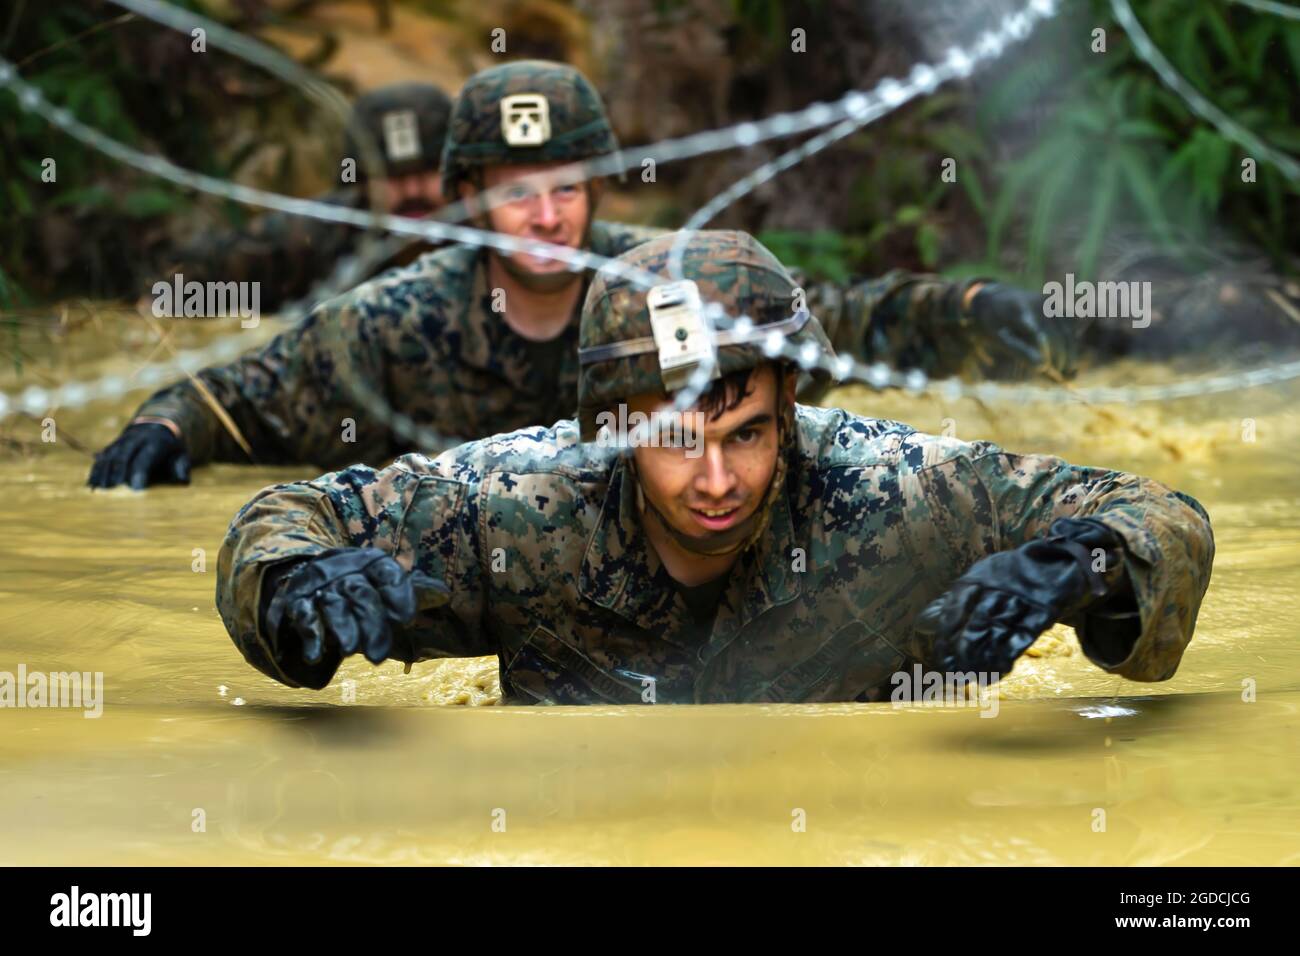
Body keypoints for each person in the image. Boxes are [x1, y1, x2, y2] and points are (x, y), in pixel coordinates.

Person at [214, 230, 1214, 704]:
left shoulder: (901, 490)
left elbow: (1157, 508)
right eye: (674, 438)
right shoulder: (518, 509)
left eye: (745, 431)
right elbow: (289, 511)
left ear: (788, 409)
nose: (716, 479)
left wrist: (1083, 567)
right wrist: (296, 591)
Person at [90, 60, 1074, 491]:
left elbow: (838, 322)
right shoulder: (390, 320)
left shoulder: (670, 279)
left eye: (565, 188)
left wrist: (973, 306)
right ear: (469, 194)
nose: (547, 218)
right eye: (516, 193)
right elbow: (242, 393)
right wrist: (162, 424)